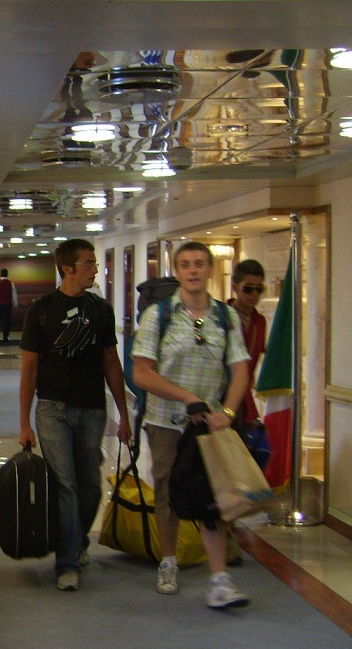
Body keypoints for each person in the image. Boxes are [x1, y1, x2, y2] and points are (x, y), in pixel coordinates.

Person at [132, 241, 251, 609]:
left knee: (212, 496)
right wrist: (187, 398)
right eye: (185, 265)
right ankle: (168, 562)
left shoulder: (225, 317)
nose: (193, 270)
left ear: (210, 269)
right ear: (176, 271)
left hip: (209, 424)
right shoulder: (158, 316)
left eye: (199, 263)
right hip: (166, 421)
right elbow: (141, 373)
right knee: (168, 491)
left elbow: (240, 370)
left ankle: (219, 579)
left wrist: (227, 412)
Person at [19, 238, 132, 593]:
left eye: (95, 263)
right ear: (67, 268)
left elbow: (111, 362)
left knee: (90, 486)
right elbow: (29, 369)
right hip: (53, 410)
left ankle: (77, 540)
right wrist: (24, 422)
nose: (95, 269)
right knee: (65, 485)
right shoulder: (41, 311)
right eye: (89, 263)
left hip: (92, 409)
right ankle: (67, 563)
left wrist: (124, 414)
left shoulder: (101, 310)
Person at [228, 259, 267, 426]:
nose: (254, 294)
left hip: (246, 402)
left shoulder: (260, 322)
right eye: (248, 288)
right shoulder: (220, 317)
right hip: (223, 397)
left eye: (259, 289)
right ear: (235, 287)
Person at [0, 268, 18, 342]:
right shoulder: (11, 283)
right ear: (7, 274)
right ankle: (5, 336)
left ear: (0, 274)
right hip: (7, 304)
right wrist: (15, 304)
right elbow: (14, 295)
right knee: (6, 321)